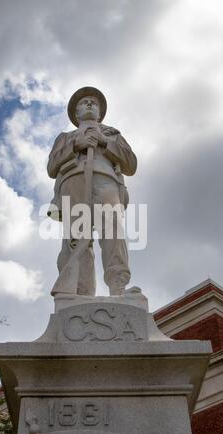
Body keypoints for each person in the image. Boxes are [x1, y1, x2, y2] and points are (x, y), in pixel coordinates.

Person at [47, 86, 137, 296]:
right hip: (73, 181)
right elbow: (51, 167)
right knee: (77, 237)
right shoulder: (65, 137)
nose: (89, 104)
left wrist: (105, 143)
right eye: (83, 102)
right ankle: (80, 292)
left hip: (106, 181)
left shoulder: (112, 134)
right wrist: (75, 145)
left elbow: (131, 165)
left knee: (112, 230)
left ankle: (118, 285)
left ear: (100, 112)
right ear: (76, 113)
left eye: (93, 102)